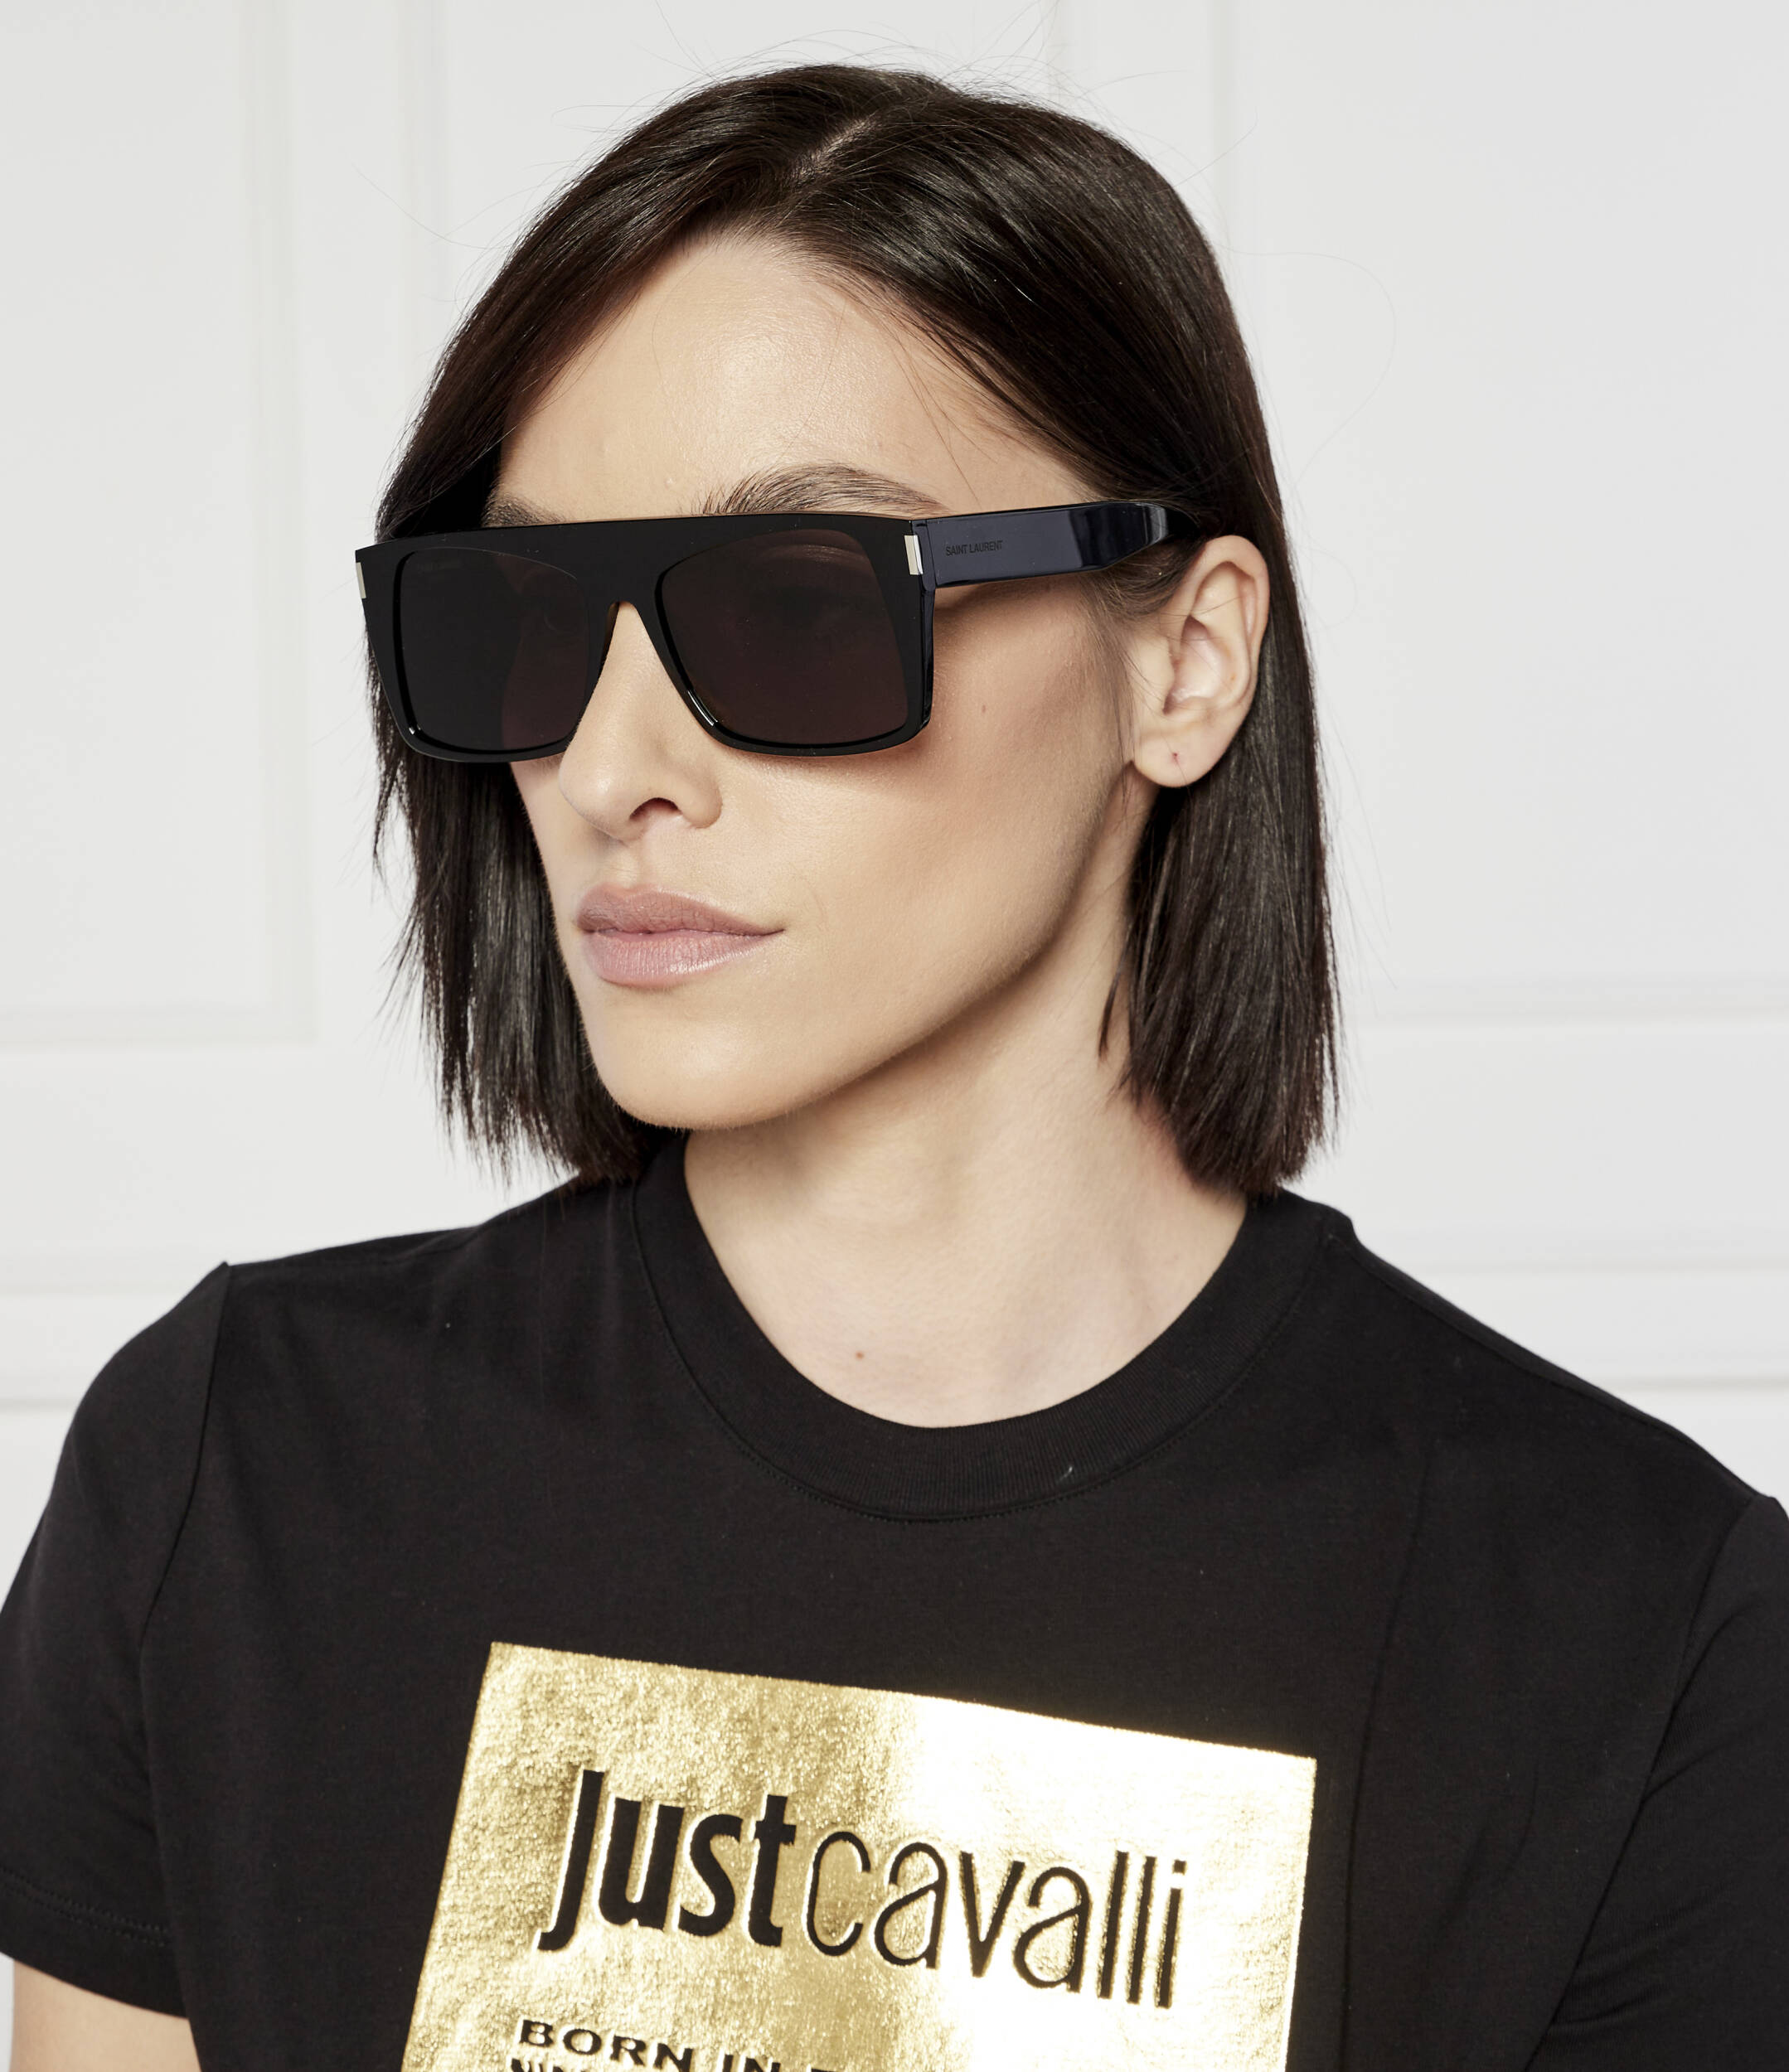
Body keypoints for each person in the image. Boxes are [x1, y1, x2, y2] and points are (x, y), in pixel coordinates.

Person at [3, 61, 1785, 2072]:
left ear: (1182, 661)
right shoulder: (235, 1471)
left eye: (794, 605)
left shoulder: (1631, 1628)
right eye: (525, 615)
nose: (610, 769)